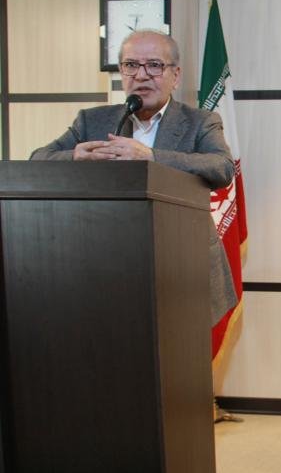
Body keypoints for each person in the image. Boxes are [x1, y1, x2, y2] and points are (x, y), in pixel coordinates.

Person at [30, 29, 238, 322]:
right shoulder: (92, 120)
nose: (141, 75)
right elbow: (38, 159)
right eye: (131, 65)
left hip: (184, 264)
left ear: (175, 76)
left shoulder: (200, 121)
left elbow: (222, 167)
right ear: (121, 72)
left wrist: (151, 156)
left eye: (154, 65)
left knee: (182, 348)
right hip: (107, 266)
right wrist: (75, 156)